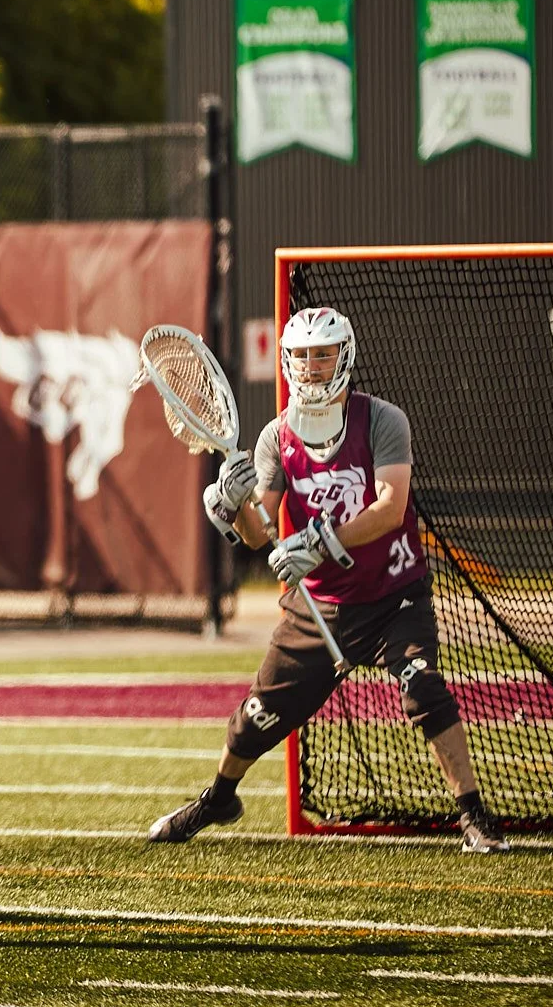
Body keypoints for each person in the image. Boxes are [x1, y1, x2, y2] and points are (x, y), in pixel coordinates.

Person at [149, 307, 510, 853]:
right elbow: (257, 533)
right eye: (302, 356)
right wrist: (234, 504)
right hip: (321, 606)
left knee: (422, 686)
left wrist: (320, 543)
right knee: (254, 720)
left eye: (323, 355)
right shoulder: (276, 437)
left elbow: (391, 508)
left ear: (344, 357)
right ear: (287, 362)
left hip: (393, 594)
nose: (312, 366)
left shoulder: (382, 420)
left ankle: (473, 814)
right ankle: (219, 797)